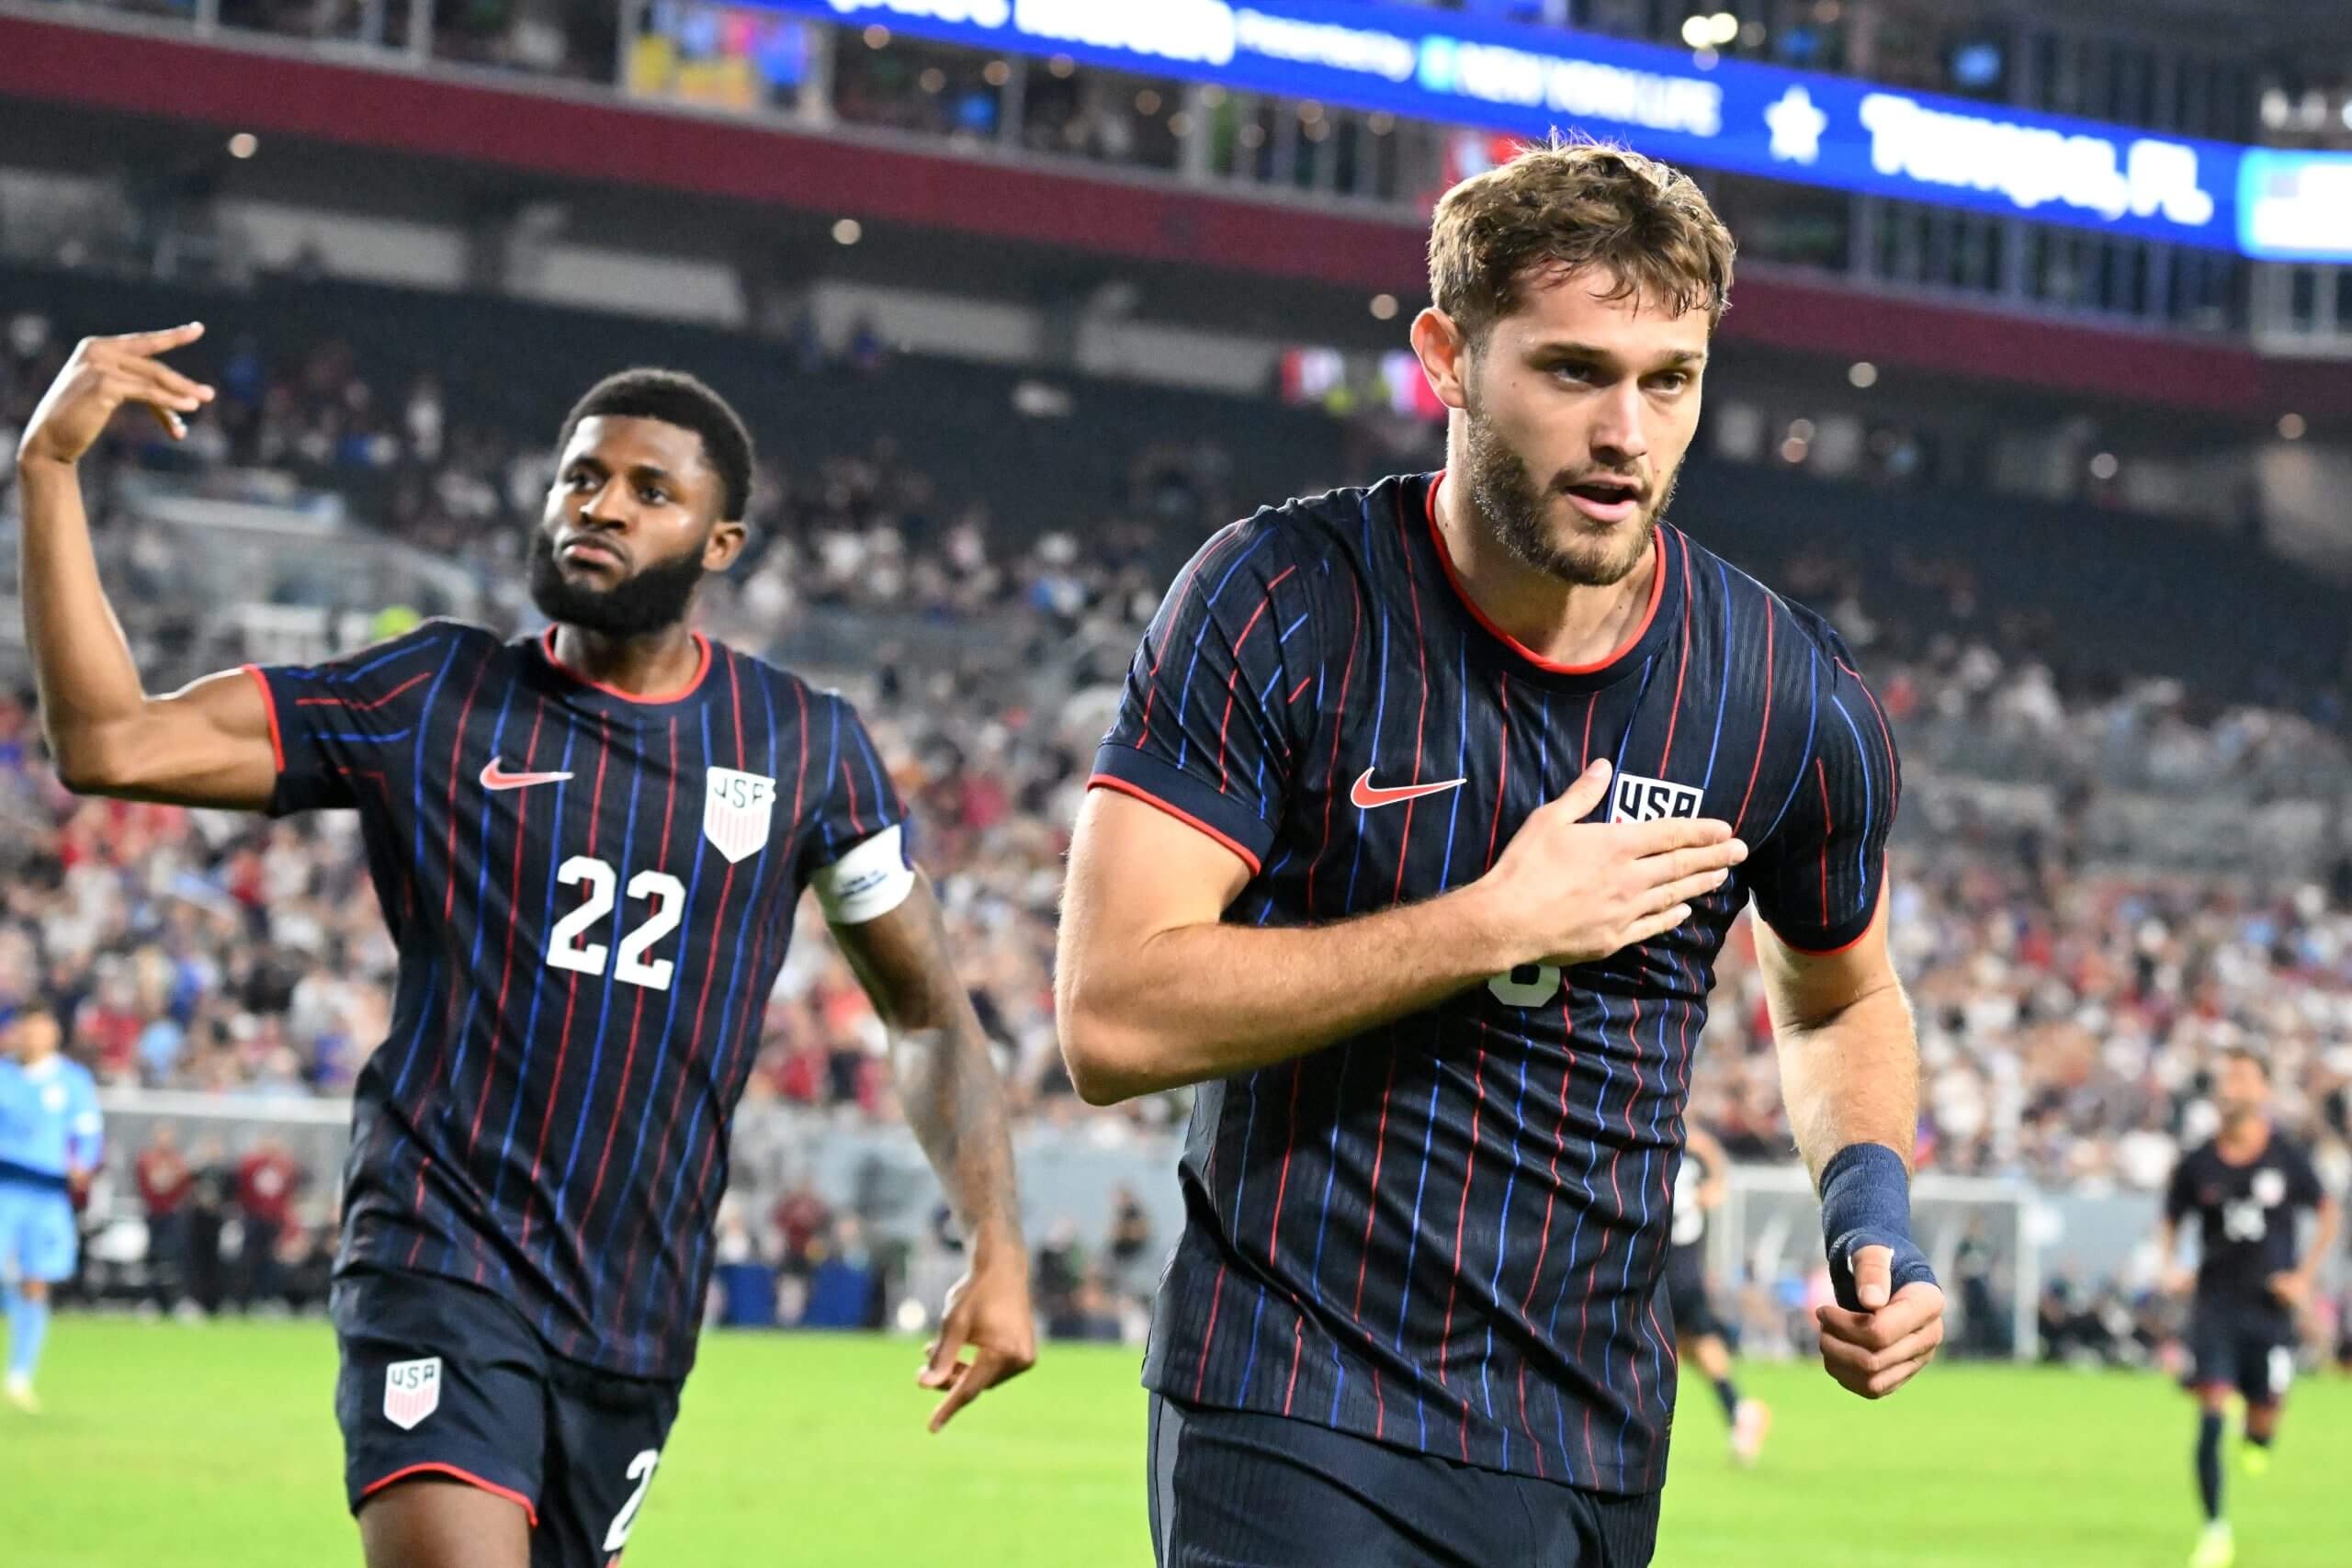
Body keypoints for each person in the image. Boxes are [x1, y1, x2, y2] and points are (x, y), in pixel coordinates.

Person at [1057, 139, 1941, 1568]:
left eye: (1670, 379)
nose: (1627, 431)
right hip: (1297, 1395)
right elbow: (1112, 1012)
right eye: (1574, 370)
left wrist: (1870, 1203)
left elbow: (1842, 995)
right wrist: (1491, 922)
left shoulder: (1786, 691)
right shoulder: (1281, 600)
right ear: (1449, 359)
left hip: (1591, 1435)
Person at [17, 329, 1035, 1566]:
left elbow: (926, 1014)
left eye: (650, 491)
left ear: (720, 545)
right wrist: (49, 469)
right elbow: (113, 742)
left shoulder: (805, 745)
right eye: (581, 477)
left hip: (636, 1313)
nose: (601, 506)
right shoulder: (434, 698)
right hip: (439, 1255)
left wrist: (997, 1241)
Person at [2154, 1047, 2338, 1568]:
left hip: (2269, 1309)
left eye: (2242, 1078)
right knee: (2211, 1411)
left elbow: (2328, 1212)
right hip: (2215, 1305)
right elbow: (2171, 1218)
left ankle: (2258, 1436)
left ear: (2263, 1091)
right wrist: (2170, 1265)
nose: (2231, 1088)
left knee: (2263, 1417)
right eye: (2226, 1079)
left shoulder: (2287, 1157)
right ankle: (2215, 1530)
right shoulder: (2198, 1162)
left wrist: (2303, 1277)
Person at [0, 1006, 103, 1412]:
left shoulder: (73, 1082)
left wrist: (83, 1164)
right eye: (24, 1029)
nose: (30, 1037)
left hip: (47, 1195)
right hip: (5, 1187)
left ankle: (20, 1375)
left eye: (38, 1029)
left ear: (53, 1033)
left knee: (36, 1281)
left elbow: (88, 1134)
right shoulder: (4, 1076)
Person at [1665, 1122, 1768, 1465]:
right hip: (1686, 1271)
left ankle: (1738, 1411)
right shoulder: (1694, 1151)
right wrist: (1716, 1183)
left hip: (1665, 1272)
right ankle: (1740, 1411)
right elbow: (1710, 1158)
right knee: (1697, 1347)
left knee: (1666, 1352)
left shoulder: (1658, 1150)